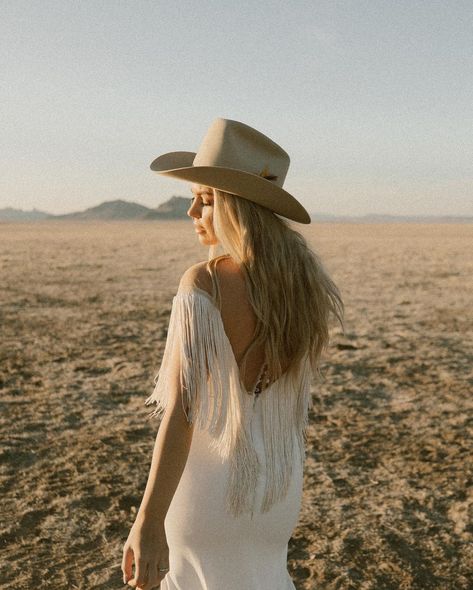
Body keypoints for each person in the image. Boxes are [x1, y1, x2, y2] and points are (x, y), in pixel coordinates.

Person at [121, 118, 344, 590]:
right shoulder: (306, 284)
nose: (191, 213)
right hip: (275, 492)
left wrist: (148, 520)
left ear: (233, 207)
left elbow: (183, 411)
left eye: (204, 200)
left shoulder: (204, 282)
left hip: (209, 492)